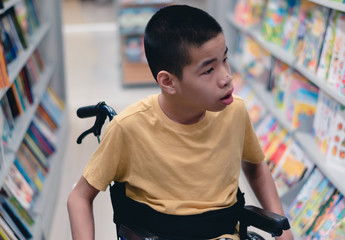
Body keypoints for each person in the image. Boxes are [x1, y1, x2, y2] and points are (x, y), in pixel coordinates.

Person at [67, 5, 293, 240]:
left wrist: (284, 233)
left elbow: (255, 166)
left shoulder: (234, 112)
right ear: (168, 82)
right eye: (209, 70)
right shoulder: (128, 128)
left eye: (224, 59)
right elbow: (80, 197)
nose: (226, 77)